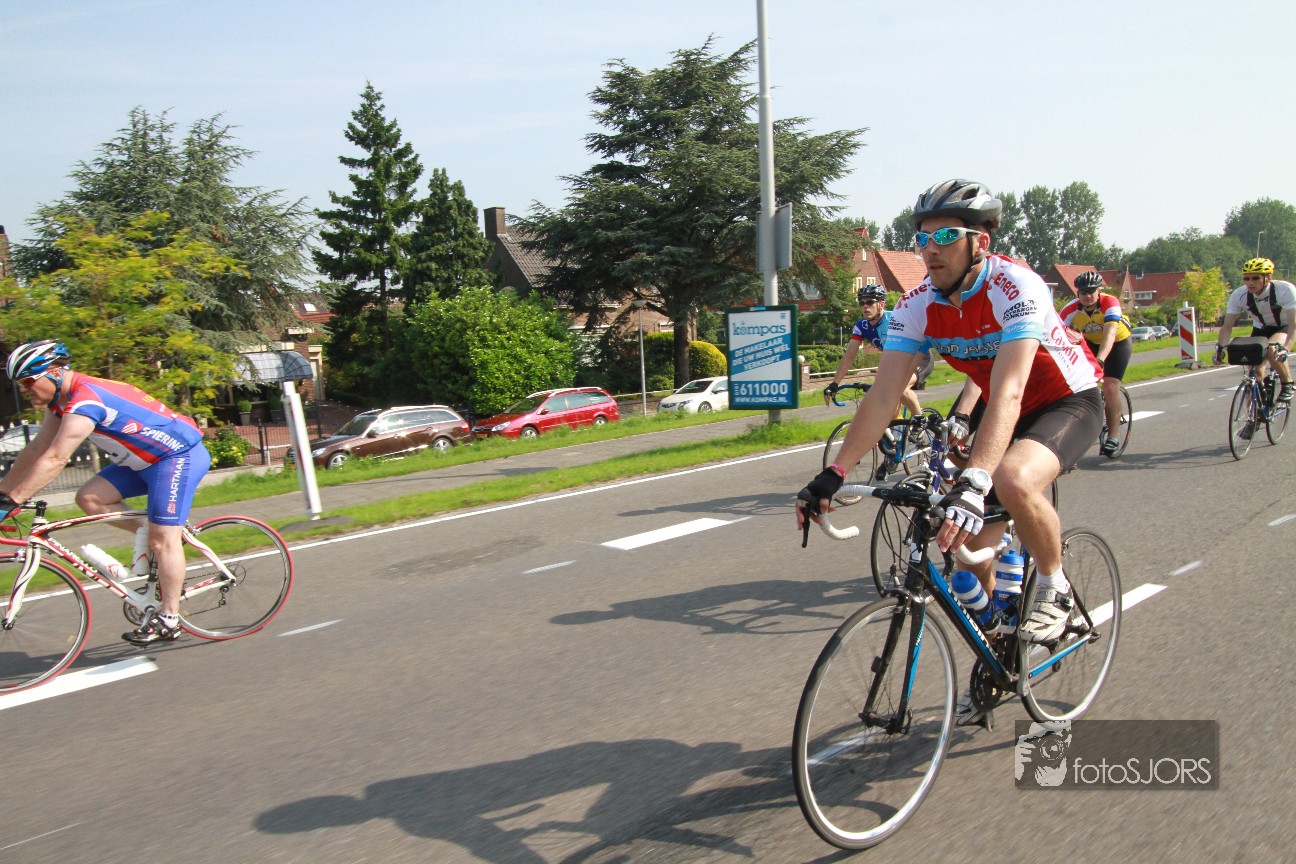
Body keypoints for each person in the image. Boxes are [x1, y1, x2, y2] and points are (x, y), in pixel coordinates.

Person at [796, 179, 1104, 720]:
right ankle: (1001, 651)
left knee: (1010, 478)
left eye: (945, 236)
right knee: (966, 551)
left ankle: (1054, 587)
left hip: (1064, 400)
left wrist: (978, 480)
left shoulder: (1016, 286)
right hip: (1002, 405)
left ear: (980, 242)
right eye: (922, 238)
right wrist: (836, 472)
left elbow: (1009, 391)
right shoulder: (916, 305)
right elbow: (883, 396)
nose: (930, 249)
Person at [0, 340, 211, 645]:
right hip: (141, 461)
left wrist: (15, 500)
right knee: (90, 498)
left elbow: (56, 458)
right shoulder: (60, 403)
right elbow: (36, 450)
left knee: (161, 540)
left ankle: (169, 618)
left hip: (177, 457)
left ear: (55, 373)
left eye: (28, 382)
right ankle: (163, 538)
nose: (24, 390)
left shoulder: (86, 400)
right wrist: (3, 495)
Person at [823, 284, 935, 479]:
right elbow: (849, 356)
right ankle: (894, 453)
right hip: (898, 361)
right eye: (862, 303)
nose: (865, 306)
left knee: (899, 387)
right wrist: (835, 383)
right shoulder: (862, 326)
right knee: (884, 412)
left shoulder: (894, 319)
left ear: (881, 304)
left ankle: (920, 421)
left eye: (870, 302)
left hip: (920, 357)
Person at [1060, 270, 1134, 457]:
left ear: (1099, 291)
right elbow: (1058, 336)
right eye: (1083, 292)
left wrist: (1100, 361)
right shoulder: (1070, 309)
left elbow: (1110, 335)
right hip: (1091, 343)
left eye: (1092, 291)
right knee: (1077, 385)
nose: (1088, 295)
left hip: (1118, 342)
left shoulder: (1110, 303)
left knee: (1110, 386)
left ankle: (1113, 437)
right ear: (1077, 293)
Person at [1213, 258, 1295, 417]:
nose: (1250, 282)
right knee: (1254, 374)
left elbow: (1293, 325)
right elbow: (1227, 326)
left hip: (1283, 326)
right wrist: (1221, 348)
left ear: (1268, 278)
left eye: (1255, 278)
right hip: (1260, 328)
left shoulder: (1285, 290)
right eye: (1246, 278)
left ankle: (1288, 383)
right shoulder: (1239, 295)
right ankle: (1252, 418)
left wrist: (1286, 348)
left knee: (1272, 350)